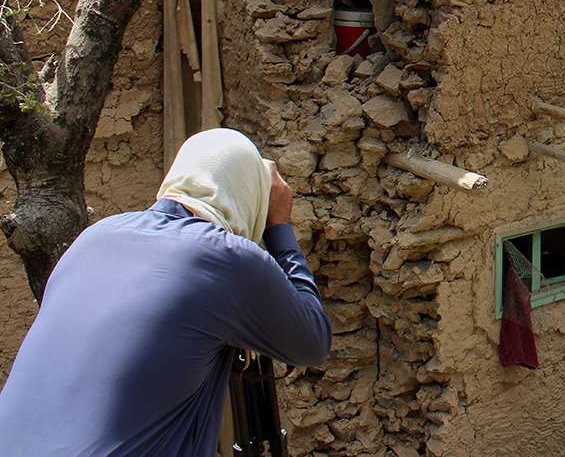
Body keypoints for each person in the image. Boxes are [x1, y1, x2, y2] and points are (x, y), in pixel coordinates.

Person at [0, 128, 333, 457]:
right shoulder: (227, 257)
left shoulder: (95, 236)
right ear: (251, 195)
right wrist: (279, 228)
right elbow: (313, 342)